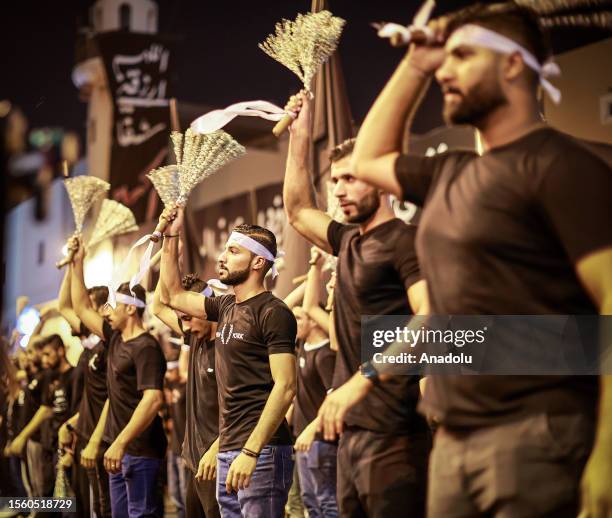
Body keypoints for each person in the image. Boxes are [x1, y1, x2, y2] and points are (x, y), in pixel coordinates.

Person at [326, 4, 612, 517]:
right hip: (453, 440)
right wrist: (415, 63)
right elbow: (368, 158)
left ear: (511, 65)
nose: (445, 71)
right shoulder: (451, 173)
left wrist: (608, 454)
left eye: (462, 55)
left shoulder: (562, 168)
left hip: (538, 436)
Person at [283, 94, 431, 518]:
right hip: (352, 436)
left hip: (396, 437)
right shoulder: (348, 240)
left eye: (350, 178)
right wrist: (300, 137)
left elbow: (431, 319)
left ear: (379, 181)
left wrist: (363, 378)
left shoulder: (406, 242)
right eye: (335, 182)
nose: (340, 190)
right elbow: (296, 211)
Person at [160, 206, 297, 518]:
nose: (221, 257)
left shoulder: (273, 312)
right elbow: (171, 296)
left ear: (258, 262)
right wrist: (170, 234)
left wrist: (251, 450)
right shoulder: (224, 307)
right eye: (224, 249)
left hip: (261, 451)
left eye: (233, 251)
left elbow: (287, 386)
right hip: (229, 450)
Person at [71, 238, 167, 518]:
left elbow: (153, 399)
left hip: (140, 451)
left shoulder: (146, 347)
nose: (105, 312)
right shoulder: (115, 338)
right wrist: (77, 261)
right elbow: (80, 307)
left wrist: (121, 442)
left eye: (111, 306)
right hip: (119, 449)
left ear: (130, 308)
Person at [152, 272, 220, 518]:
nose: (186, 327)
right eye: (182, 320)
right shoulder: (194, 336)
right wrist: (167, 246)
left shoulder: (228, 346)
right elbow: (158, 305)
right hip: (196, 463)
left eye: (189, 318)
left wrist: (217, 449)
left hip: (219, 461)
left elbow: (243, 408)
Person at [57, 264, 110, 517]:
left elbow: (111, 400)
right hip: (86, 434)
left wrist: (77, 262)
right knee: (90, 506)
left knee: (103, 507)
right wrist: (71, 264)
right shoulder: (90, 345)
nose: (82, 311)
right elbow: (65, 307)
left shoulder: (110, 344)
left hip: (104, 439)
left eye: (87, 305)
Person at [292, 248, 337, 518]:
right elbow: (301, 306)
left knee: (327, 502)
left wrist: (311, 430)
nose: (295, 323)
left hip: (321, 439)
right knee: (311, 502)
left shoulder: (328, 353)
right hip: (303, 439)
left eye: (300, 320)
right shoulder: (301, 348)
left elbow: (333, 395)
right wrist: (314, 266)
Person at [6, 334, 76, 499]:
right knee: (44, 490)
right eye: (42, 354)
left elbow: (52, 410)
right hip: (49, 441)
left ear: (60, 351)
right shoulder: (51, 376)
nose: (44, 359)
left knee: (66, 497)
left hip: (62, 444)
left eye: (47, 354)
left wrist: (71, 452)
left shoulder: (67, 375)